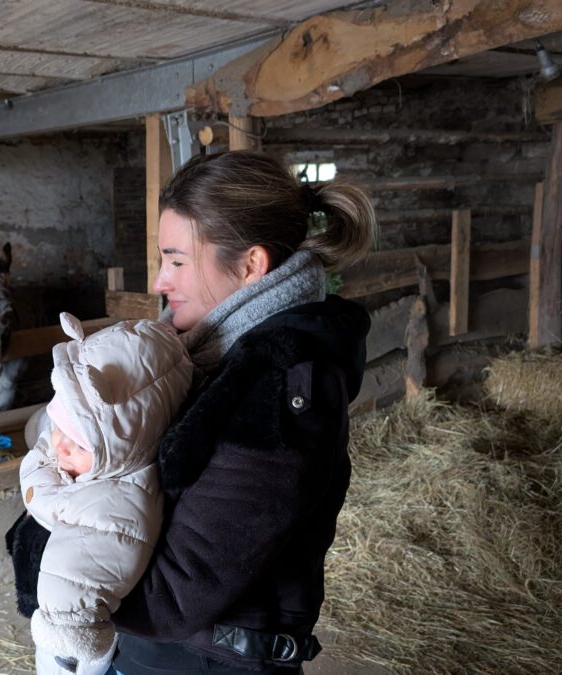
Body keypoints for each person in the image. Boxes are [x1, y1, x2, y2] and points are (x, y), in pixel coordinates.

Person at [105, 150, 376, 673]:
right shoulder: (201, 354)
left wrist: (58, 570)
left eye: (177, 261)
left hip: (211, 660)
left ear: (251, 265)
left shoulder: (283, 389)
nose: (161, 282)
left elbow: (175, 595)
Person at [17, 313, 192, 675]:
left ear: (127, 445)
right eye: (57, 423)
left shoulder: (116, 512)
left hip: (71, 652)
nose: (58, 445)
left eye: (77, 442)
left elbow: (70, 604)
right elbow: (48, 450)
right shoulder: (99, 454)